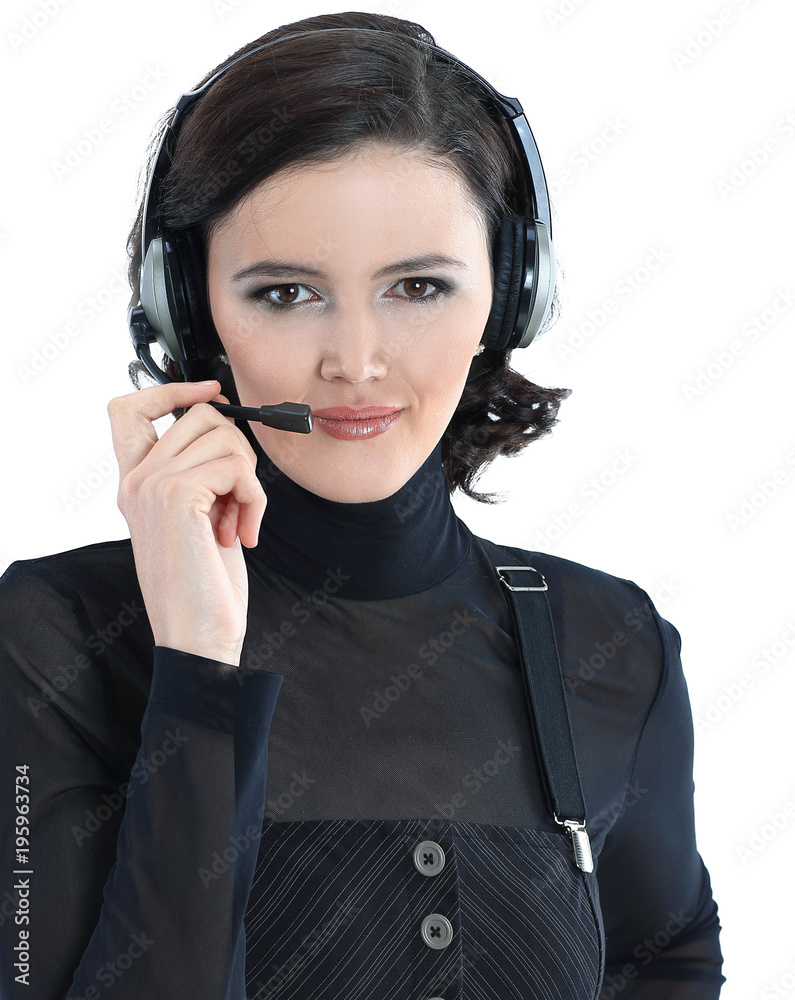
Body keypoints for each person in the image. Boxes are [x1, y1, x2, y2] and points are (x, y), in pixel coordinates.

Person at [0, 11, 725, 999]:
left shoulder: (610, 643)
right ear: (188, 301)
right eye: (287, 293)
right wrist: (198, 673)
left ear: (509, 295)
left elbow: (667, 959)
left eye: (418, 286)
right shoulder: (56, 637)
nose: (355, 361)